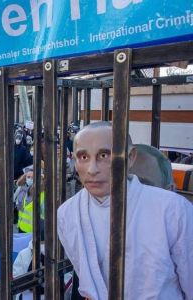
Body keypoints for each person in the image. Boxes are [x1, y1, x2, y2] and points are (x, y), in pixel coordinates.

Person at [57, 121, 193, 300]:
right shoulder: (67, 213)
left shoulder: (172, 210)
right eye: (83, 157)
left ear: (130, 157)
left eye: (104, 155)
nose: (92, 169)